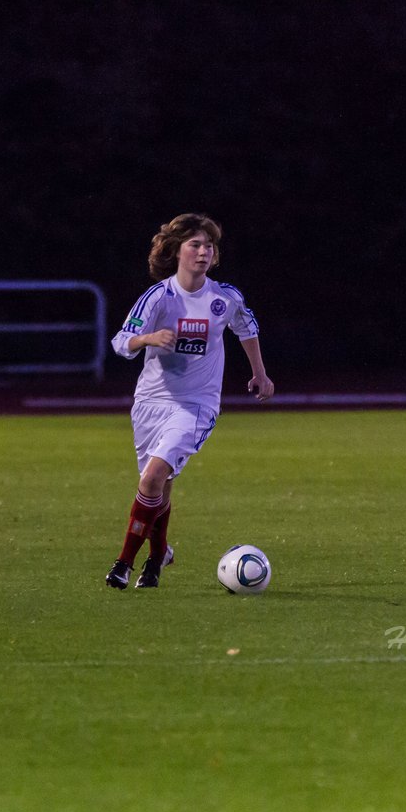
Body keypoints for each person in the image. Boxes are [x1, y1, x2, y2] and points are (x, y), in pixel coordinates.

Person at [105, 213, 274, 589]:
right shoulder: (159, 297)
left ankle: (123, 564)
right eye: (194, 245)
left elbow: (247, 328)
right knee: (157, 488)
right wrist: (149, 339)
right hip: (150, 403)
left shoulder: (223, 297)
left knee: (152, 478)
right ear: (175, 251)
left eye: (208, 246)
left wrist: (259, 373)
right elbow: (121, 342)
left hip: (196, 405)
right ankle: (159, 554)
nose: (203, 252)